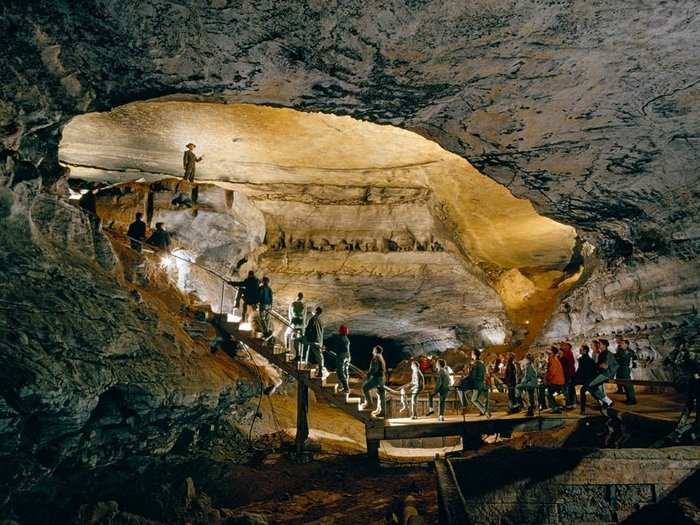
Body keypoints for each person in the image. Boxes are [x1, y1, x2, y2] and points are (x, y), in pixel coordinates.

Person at [588, 338, 619, 411]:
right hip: (602, 373)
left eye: (600, 344)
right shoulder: (602, 353)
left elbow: (605, 366)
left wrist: (597, 365)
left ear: (604, 345)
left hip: (607, 373)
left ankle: (608, 402)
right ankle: (605, 402)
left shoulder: (607, 354)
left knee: (591, 386)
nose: (598, 345)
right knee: (593, 387)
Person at [457, 350, 488, 416]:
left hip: (475, 383)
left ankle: (465, 405)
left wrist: (463, 379)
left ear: (474, 355)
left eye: (472, 354)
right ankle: (483, 410)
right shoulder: (482, 364)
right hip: (481, 382)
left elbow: (472, 376)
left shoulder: (474, 364)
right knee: (471, 397)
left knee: (460, 388)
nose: (471, 355)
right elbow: (484, 374)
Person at [360, 345, 387, 418]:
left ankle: (369, 404)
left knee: (365, 388)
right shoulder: (381, 357)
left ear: (375, 350)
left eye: (373, 349)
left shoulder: (376, 357)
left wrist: (368, 375)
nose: (372, 351)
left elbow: (374, 369)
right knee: (381, 394)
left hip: (377, 378)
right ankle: (382, 411)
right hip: (382, 378)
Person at [575, 344, 597, 414]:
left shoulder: (589, 360)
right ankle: (574, 402)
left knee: (583, 391)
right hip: (584, 379)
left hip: (589, 379)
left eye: (581, 349)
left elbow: (589, 372)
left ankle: (583, 410)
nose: (579, 350)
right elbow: (579, 371)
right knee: (571, 383)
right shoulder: (581, 359)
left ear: (585, 351)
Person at [304, 306, 326, 379]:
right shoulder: (321, 321)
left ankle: (303, 361)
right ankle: (320, 370)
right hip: (319, 341)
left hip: (314, 341)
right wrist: (321, 343)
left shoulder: (313, 319)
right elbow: (322, 332)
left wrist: (306, 337)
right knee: (319, 356)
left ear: (316, 311)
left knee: (303, 344)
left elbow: (308, 329)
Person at [615, 338, 637, 405]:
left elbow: (634, 359)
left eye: (622, 343)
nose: (620, 344)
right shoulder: (620, 351)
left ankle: (632, 399)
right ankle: (629, 398)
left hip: (625, 368)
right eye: (620, 343)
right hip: (620, 368)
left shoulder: (630, 352)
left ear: (626, 345)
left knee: (628, 384)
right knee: (624, 384)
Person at [544, 346, 565, 413]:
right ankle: (555, 407)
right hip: (557, 380)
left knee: (548, 393)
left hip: (556, 381)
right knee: (549, 393)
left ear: (552, 352)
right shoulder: (553, 359)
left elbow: (552, 372)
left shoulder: (553, 360)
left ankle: (555, 408)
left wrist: (547, 379)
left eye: (549, 350)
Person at [332, 325, 352, 394]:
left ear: (340, 331)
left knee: (340, 372)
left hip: (342, 356)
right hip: (348, 356)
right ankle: (345, 387)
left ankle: (346, 388)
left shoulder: (340, 338)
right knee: (345, 372)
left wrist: (328, 348)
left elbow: (336, 347)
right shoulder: (346, 338)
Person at [288, 292, 306, 360]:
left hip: (296, 324)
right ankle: (299, 355)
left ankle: (298, 355)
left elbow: (290, 314)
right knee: (297, 339)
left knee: (296, 339)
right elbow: (304, 315)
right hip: (298, 323)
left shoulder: (295, 304)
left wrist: (291, 322)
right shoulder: (301, 305)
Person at [559, 342, 577, 408]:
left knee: (568, 389)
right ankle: (573, 403)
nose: (563, 346)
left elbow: (568, 364)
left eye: (564, 345)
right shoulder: (568, 353)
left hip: (568, 374)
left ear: (568, 347)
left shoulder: (567, 354)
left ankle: (569, 403)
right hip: (570, 373)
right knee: (571, 388)